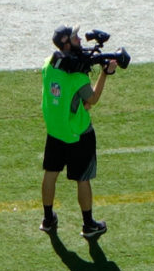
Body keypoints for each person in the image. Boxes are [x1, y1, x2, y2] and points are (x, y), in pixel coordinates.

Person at [40, 25, 116, 238]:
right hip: (78, 133)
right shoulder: (78, 78)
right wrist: (105, 73)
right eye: (75, 38)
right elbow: (92, 99)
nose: (80, 40)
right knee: (83, 179)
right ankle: (88, 224)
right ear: (66, 43)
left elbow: (62, 94)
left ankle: (47, 219)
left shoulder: (48, 64)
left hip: (55, 129)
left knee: (50, 173)